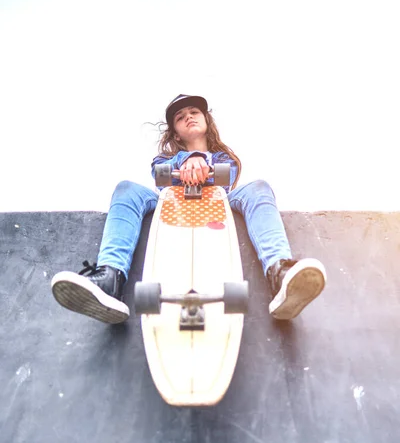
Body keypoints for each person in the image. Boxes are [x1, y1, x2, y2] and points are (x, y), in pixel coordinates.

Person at [51, 93, 326, 324]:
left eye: (194, 112)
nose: (189, 117)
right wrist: (188, 160)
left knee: (259, 188)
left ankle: (279, 272)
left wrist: (199, 160)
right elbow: (160, 177)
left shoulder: (224, 157)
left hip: (220, 204)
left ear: (207, 121)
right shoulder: (165, 159)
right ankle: (110, 279)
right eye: (180, 117)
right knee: (126, 189)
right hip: (171, 205)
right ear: (176, 133)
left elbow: (227, 178)